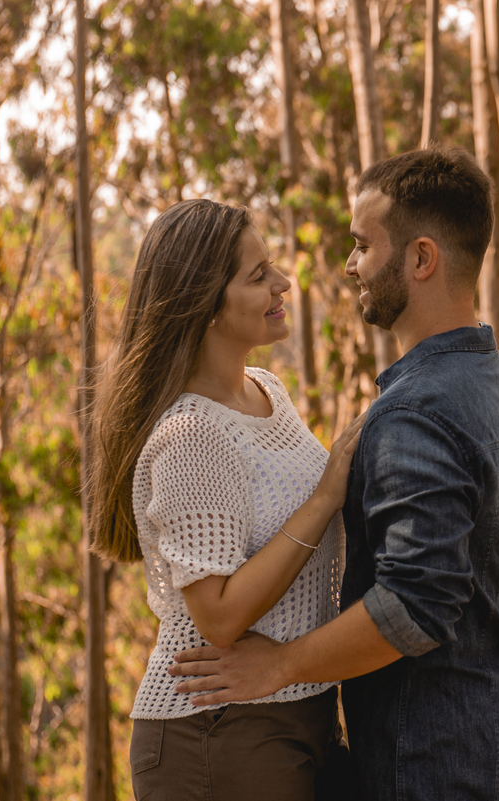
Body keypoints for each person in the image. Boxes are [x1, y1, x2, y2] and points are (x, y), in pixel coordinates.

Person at [169, 148, 499, 800]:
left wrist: (280, 665)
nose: (350, 265)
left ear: (421, 259)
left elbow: (415, 605)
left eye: (362, 245)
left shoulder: (417, 411)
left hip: (431, 762)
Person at [88, 199, 365, 800]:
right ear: (205, 305)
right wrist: (323, 499)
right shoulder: (191, 437)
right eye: (258, 274)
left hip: (297, 710)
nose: (281, 282)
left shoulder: (268, 391)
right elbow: (218, 616)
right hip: (216, 729)